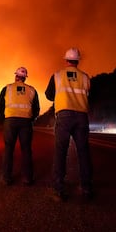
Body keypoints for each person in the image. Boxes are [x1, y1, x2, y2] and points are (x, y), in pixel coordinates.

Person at [45, 48, 93, 201]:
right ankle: (86, 188)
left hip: (64, 116)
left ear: (66, 60)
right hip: (81, 116)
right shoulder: (86, 77)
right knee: (83, 152)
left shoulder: (57, 76)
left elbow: (49, 95)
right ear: (77, 61)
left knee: (60, 152)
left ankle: (58, 189)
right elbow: (90, 94)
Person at [0, 67, 40, 186]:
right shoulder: (32, 90)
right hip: (26, 121)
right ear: (25, 78)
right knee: (26, 150)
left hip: (10, 121)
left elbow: (0, 105)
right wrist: (31, 118)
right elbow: (36, 108)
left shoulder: (7, 88)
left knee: (8, 148)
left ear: (16, 76)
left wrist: (5, 118)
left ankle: (6, 178)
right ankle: (27, 178)